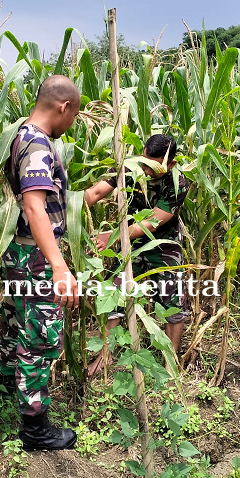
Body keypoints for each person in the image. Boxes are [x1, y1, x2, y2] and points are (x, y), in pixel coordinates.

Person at [0, 75, 81, 451]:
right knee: (40, 338)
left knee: (14, 326)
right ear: (64, 107)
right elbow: (34, 206)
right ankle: (35, 429)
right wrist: (59, 266)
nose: (71, 124)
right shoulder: (37, 145)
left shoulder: (19, 136)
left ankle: (2, 397)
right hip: (35, 258)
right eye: (73, 116)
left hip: (19, 253)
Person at [83, 134, 191, 370]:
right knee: (115, 296)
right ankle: (104, 356)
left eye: (154, 166)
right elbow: (97, 192)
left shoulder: (177, 182)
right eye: (144, 162)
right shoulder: (129, 167)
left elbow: (153, 221)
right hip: (130, 243)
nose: (146, 170)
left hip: (164, 245)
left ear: (171, 164)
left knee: (172, 300)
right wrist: (69, 205)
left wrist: (112, 237)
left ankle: (170, 363)